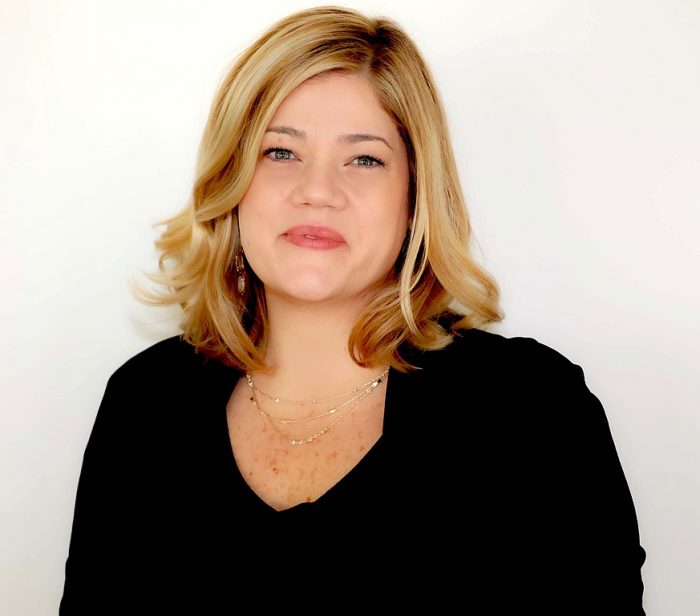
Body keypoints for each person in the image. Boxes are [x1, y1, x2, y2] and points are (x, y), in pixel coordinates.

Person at [59, 5, 646, 614]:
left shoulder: (533, 411)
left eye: (364, 159)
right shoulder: (142, 404)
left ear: (415, 196)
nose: (317, 190)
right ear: (230, 182)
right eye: (280, 152)